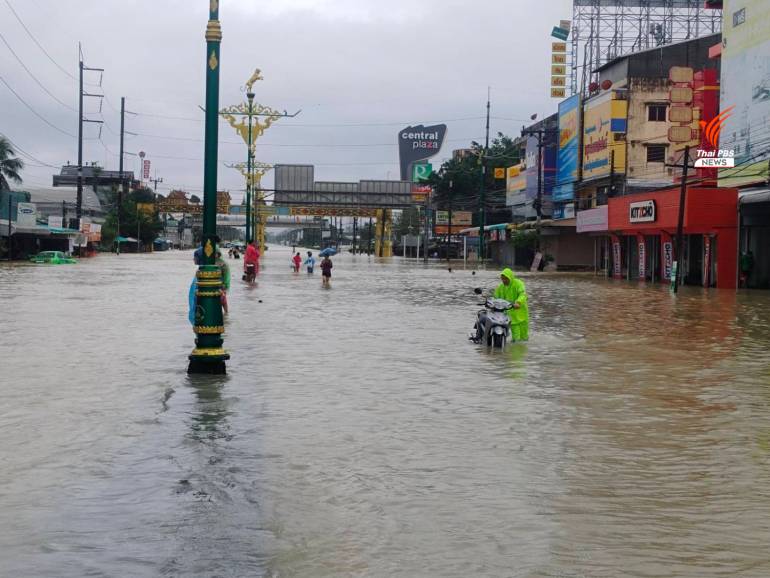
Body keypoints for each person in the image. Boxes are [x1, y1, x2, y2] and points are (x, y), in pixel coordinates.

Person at [493, 268, 529, 341]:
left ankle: (523, 350)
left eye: (506, 279)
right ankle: (516, 350)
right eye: (502, 279)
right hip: (511, 316)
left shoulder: (518, 284)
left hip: (522, 314)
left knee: (525, 337)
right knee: (516, 339)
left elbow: (523, 294)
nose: (504, 281)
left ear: (510, 277)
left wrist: (518, 302)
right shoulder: (500, 287)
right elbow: (495, 297)